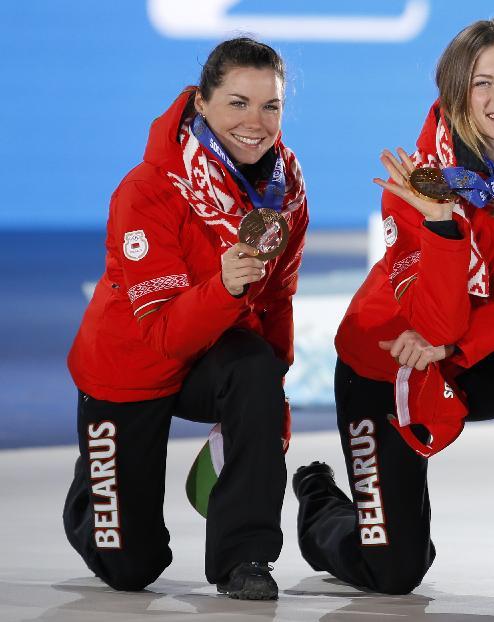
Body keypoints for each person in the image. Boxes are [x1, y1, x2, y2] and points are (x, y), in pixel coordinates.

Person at [293, 18, 494, 606]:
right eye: (482, 83)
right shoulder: (416, 180)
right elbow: (432, 324)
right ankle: (320, 501)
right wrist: (441, 224)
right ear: (455, 94)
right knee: (393, 571)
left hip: (471, 355)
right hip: (391, 363)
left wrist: (460, 350)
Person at [63, 37, 308, 600]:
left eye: (270, 106)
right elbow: (164, 334)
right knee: (130, 568)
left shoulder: (286, 191)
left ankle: (244, 557)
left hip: (216, 353)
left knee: (253, 370)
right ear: (202, 102)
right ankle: (97, 490)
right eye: (237, 103)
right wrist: (223, 285)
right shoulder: (148, 189)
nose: (256, 122)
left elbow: (276, 301)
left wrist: (273, 399)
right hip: (132, 364)